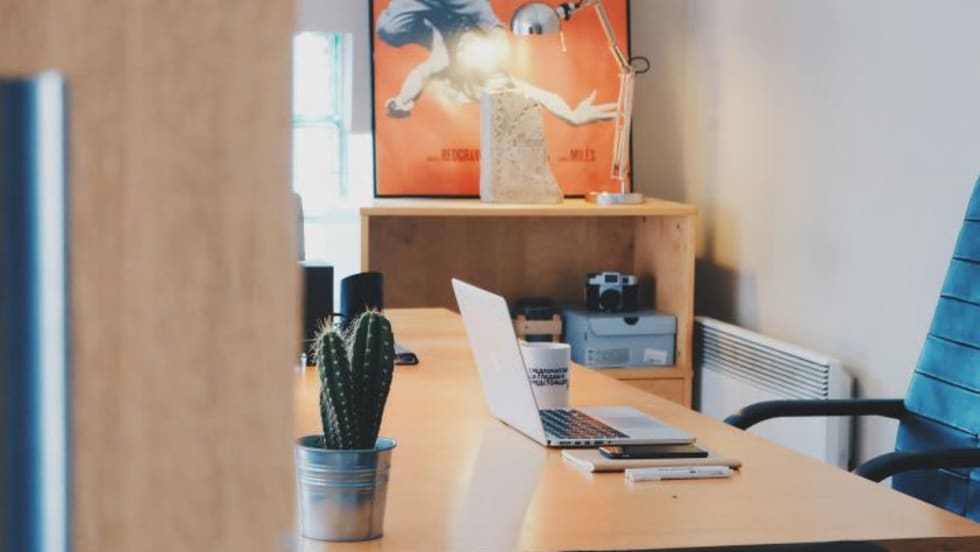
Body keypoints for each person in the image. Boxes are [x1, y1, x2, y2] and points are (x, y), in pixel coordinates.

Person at [376, 0, 616, 125]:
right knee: (393, 29)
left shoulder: (477, 74)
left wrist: (572, 116)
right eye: (466, 45)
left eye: (466, 48)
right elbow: (419, 75)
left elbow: (542, 95)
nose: (464, 47)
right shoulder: (451, 50)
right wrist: (401, 101)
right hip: (440, 22)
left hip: (439, 27)